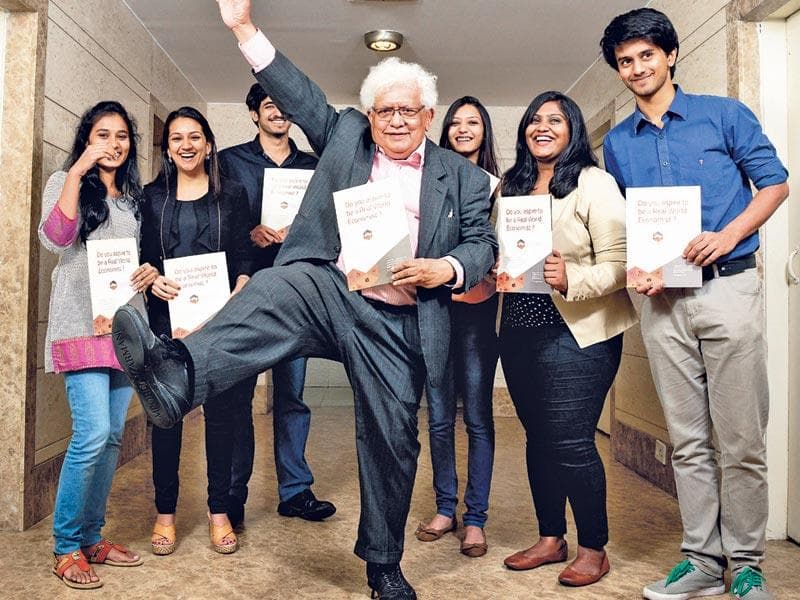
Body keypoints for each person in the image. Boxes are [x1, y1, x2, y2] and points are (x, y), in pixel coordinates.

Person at [111, 1, 496, 597]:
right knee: (279, 284)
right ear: (369, 116)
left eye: (407, 110)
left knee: (394, 442)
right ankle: (178, 376)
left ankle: (383, 563)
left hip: (402, 322)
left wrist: (444, 267)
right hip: (335, 291)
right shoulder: (346, 137)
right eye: (384, 110)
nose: (396, 121)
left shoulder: (464, 176)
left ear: (428, 115)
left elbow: (482, 244)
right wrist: (243, 28)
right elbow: (298, 93)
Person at [600, 8, 789, 600]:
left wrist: (728, 236)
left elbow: (775, 184)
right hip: (663, 304)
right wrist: (638, 268)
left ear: (670, 55)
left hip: (728, 288)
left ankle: (747, 563)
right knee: (686, 439)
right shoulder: (617, 143)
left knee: (741, 439)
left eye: (646, 55)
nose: (637, 68)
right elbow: (633, 222)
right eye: (625, 61)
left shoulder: (723, 114)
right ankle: (703, 561)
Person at [497, 91, 637, 587]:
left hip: (578, 332)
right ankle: (550, 537)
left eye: (555, 120)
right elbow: (497, 248)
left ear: (572, 129)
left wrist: (570, 277)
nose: (542, 127)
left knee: (571, 441)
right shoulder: (510, 186)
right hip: (517, 330)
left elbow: (622, 262)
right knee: (538, 438)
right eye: (534, 119)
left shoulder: (594, 183)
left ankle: (594, 548)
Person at [39, 101, 156, 589]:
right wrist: (78, 170)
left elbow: (142, 257)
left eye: (122, 135)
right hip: (79, 325)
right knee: (90, 434)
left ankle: (91, 537)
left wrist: (148, 272)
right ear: (87, 139)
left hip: (125, 327)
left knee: (110, 438)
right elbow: (56, 238)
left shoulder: (134, 199)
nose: (114, 143)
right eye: (103, 135)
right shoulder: (63, 181)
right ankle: (66, 546)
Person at [218, 83, 335, 525]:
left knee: (292, 396)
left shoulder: (314, 165)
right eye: (269, 106)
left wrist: (301, 235)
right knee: (239, 396)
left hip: (297, 296)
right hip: (245, 293)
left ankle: (295, 491)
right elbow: (217, 222)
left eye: (284, 106)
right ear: (254, 113)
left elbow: (330, 226)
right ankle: (232, 496)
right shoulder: (229, 162)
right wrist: (249, 233)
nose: (278, 112)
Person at [141, 106, 255, 555]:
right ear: (168, 149)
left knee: (222, 419)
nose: (186, 145)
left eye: (194, 137)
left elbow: (244, 256)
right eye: (176, 138)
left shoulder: (233, 194)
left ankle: (219, 511)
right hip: (166, 324)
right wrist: (152, 278)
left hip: (220, 324)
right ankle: (165, 514)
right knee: (166, 419)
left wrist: (240, 287)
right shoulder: (151, 198)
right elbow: (142, 258)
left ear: (208, 145)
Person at [415, 96, 499, 558]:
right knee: (440, 415)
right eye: (456, 123)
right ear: (444, 131)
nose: (464, 129)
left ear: (485, 131)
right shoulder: (430, 182)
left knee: (479, 417)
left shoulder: (504, 187)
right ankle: (445, 508)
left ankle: (476, 519)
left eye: (474, 122)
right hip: (436, 309)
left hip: (479, 314)